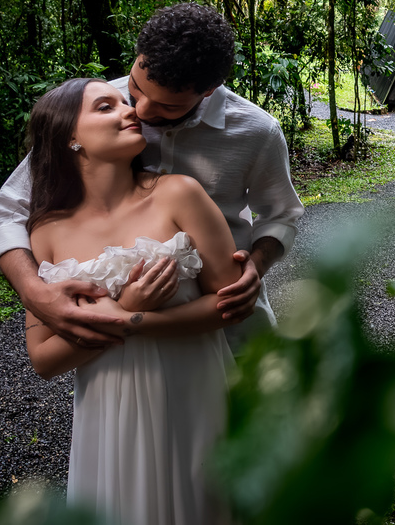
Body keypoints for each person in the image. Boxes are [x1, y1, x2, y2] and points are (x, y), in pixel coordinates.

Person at [0, 3, 305, 348]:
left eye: (169, 106)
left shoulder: (256, 131)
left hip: (230, 328)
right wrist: (33, 291)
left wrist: (255, 268)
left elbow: (281, 213)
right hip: (130, 343)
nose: (140, 111)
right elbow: (10, 207)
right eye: (136, 89)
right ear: (138, 55)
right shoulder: (98, 111)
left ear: (208, 90)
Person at [24, 77, 237, 524]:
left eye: (125, 102)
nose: (130, 111)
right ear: (70, 138)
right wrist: (125, 310)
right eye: (106, 107)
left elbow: (231, 303)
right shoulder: (45, 232)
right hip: (109, 412)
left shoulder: (179, 193)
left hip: (192, 394)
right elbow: (44, 359)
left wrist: (135, 319)